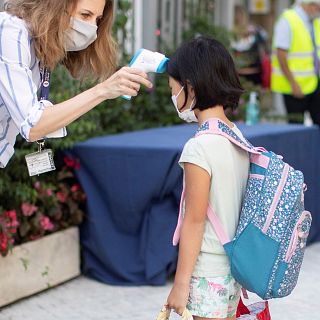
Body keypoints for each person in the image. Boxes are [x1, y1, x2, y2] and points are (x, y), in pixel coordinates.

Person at [0, 0, 152, 168]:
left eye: (97, 19)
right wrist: (102, 91)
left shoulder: (38, 42)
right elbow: (34, 124)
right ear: (55, 6)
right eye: (85, 15)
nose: (92, 27)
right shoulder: (11, 32)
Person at [166, 36, 249, 320]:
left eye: (173, 89)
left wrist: (180, 284)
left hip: (207, 274)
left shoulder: (199, 147)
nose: (173, 98)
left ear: (190, 87)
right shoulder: (236, 135)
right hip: (233, 272)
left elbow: (195, 220)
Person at [272, 0, 320, 124]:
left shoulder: (314, 22)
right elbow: (281, 55)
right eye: (318, 7)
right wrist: (293, 83)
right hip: (294, 87)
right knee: (296, 127)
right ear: (310, 5)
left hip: (314, 83)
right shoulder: (287, 20)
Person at [231, 5, 269, 87]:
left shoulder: (255, 30)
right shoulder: (231, 33)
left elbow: (265, 47)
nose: (239, 18)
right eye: (237, 16)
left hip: (254, 73)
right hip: (238, 74)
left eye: (241, 15)